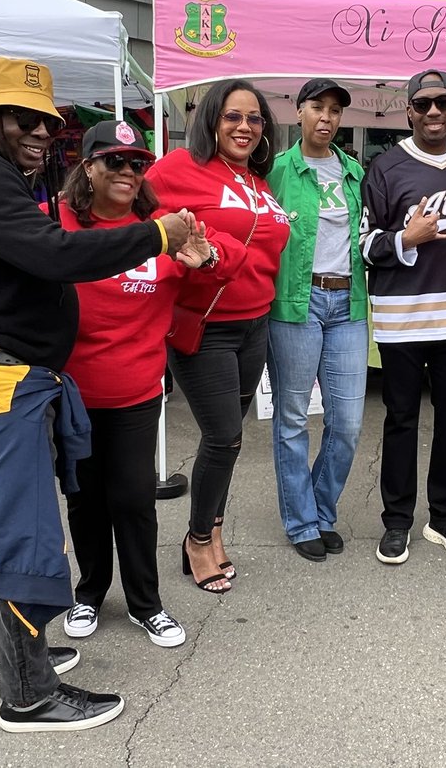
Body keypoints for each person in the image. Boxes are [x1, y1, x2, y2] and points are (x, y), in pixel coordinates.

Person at [0, 57, 193, 732]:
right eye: (24, 119)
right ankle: (29, 694)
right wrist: (160, 233)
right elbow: (57, 256)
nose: (41, 132)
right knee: (19, 533)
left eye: (48, 122)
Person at [54, 120, 234, 646]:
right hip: (72, 394)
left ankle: (145, 603)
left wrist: (208, 259)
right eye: (115, 161)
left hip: (135, 393)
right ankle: (88, 594)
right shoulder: (58, 223)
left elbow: (230, 267)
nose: (128, 172)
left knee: (133, 500)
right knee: (84, 499)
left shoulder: (165, 226)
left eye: (137, 163)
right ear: (88, 167)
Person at [149, 79, 291, 593]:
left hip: (256, 322)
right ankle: (196, 539)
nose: (245, 127)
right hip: (205, 326)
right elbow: (141, 224)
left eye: (255, 119)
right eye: (233, 116)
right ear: (211, 119)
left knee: (229, 439)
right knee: (223, 434)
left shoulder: (259, 181)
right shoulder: (175, 169)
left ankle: (213, 529)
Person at [361, 68, 446, 565]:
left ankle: (445, 519)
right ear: (408, 110)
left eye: (443, 102)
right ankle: (396, 523)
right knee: (400, 420)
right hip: (402, 319)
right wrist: (404, 241)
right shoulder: (385, 167)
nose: (434, 111)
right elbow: (364, 244)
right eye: (423, 104)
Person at [266, 79, 368, 562]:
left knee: (347, 422)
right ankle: (302, 519)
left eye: (334, 111)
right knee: (292, 418)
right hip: (296, 305)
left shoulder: (354, 173)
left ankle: (321, 510)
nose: (326, 118)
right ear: (299, 112)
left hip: (347, 305)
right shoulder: (277, 171)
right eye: (317, 108)